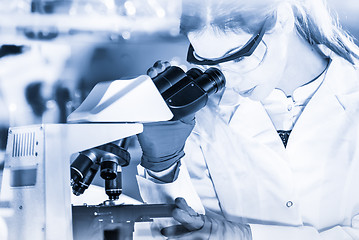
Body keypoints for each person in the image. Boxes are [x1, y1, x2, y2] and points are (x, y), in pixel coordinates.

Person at [136, 0, 359, 239]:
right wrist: (163, 168)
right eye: (211, 64)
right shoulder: (202, 113)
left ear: (282, 18)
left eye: (238, 58)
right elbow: (181, 230)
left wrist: (245, 236)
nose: (230, 80)